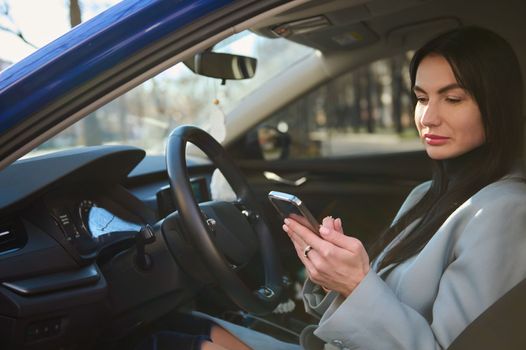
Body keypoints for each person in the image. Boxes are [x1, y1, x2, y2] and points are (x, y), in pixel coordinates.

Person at [137, 26, 526, 350]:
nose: (428, 117)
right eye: (421, 98)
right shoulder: (429, 193)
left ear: (497, 104)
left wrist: (356, 285)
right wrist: (332, 277)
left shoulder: (505, 212)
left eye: (453, 98)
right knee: (184, 327)